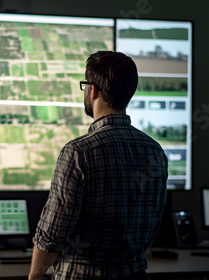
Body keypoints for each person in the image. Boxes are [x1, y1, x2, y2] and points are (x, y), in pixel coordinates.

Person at [29, 51, 168, 280]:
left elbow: (54, 231)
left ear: (93, 90)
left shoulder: (78, 152)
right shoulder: (155, 151)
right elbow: (150, 227)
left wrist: (36, 272)